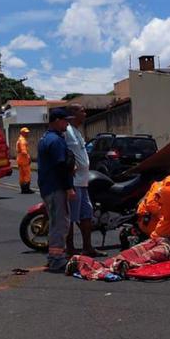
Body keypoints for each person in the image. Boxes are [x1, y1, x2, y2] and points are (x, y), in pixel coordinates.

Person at [37, 108, 75, 273]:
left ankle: (55, 257)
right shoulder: (56, 141)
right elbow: (61, 166)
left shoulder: (46, 138)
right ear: (57, 121)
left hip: (48, 186)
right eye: (66, 121)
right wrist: (69, 187)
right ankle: (56, 259)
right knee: (60, 224)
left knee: (56, 223)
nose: (68, 124)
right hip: (56, 187)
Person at [63, 104, 99, 256]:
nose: (85, 113)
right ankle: (70, 249)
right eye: (82, 111)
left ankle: (87, 247)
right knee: (71, 217)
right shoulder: (67, 131)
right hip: (74, 182)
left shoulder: (76, 131)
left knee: (86, 214)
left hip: (83, 182)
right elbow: (63, 152)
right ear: (73, 113)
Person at [16, 127, 33, 194]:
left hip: (19, 158)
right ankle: (26, 189)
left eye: (27, 132)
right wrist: (28, 157)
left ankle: (23, 189)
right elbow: (24, 151)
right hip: (24, 159)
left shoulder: (19, 139)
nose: (27, 134)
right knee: (27, 174)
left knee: (22, 174)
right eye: (26, 132)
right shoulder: (22, 140)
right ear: (22, 133)